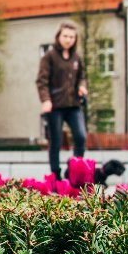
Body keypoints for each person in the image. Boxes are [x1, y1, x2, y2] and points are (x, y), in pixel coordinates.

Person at [36, 23, 88, 177]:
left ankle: (75, 171)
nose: (68, 40)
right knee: (56, 141)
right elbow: (42, 80)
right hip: (55, 106)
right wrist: (46, 100)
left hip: (73, 105)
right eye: (65, 36)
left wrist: (82, 87)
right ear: (59, 37)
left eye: (72, 37)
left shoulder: (76, 57)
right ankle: (55, 175)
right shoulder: (49, 57)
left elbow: (82, 77)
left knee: (80, 136)